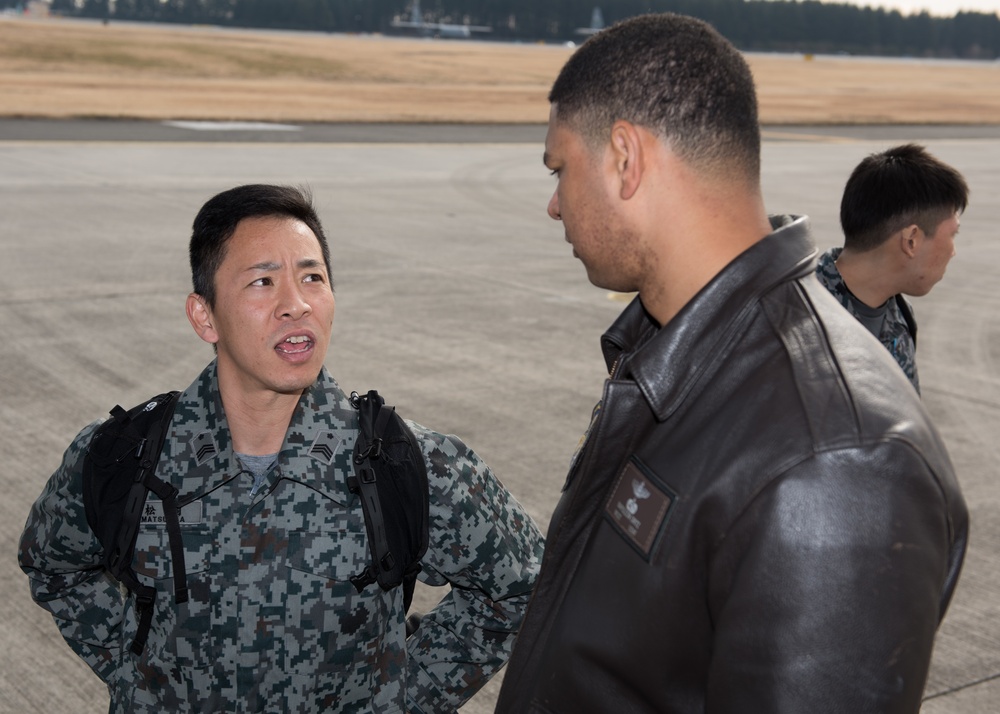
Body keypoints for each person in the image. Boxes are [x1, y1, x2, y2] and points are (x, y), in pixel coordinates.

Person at [495, 13, 968, 714]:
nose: (554, 203)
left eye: (561, 167)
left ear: (627, 157)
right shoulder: (681, 353)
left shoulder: (836, 462)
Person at [19, 184, 543, 713]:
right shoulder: (124, 460)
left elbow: (520, 585)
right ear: (204, 316)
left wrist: (401, 697)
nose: (296, 304)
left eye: (312, 277)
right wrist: (139, 679)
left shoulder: (413, 465)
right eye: (263, 281)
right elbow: (53, 566)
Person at [816, 143, 968, 394]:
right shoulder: (797, 322)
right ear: (911, 240)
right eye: (952, 235)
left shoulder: (899, 314)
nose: (953, 251)